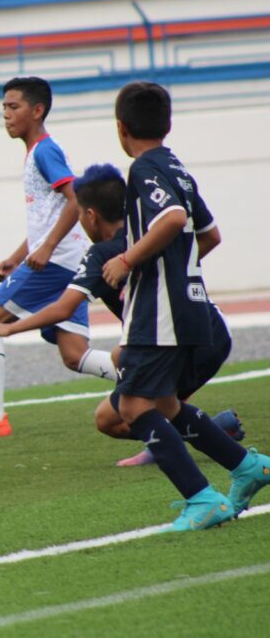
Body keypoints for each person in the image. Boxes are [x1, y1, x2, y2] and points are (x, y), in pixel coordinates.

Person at [0, 163, 244, 466]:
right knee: (136, 378)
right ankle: (210, 444)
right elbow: (207, 239)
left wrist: (10, 328)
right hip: (213, 330)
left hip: (176, 338)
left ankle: (209, 463)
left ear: (90, 216)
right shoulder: (148, 234)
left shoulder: (102, 255)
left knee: (113, 416)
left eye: (78, 215)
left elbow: (63, 308)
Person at [98, 81, 269, 530]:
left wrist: (128, 258)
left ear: (121, 128)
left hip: (160, 314)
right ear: (166, 124)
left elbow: (172, 218)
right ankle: (248, 467)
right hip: (189, 305)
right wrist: (178, 270)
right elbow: (208, 234)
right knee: (165, 404)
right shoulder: (178, 167)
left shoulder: (143, 170)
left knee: (133, 407)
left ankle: (202, 500)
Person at [0, 77, 114, 440]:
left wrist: (47, 248)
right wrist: (17, 256)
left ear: (37, 111)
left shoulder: (44, 151)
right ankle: (150, 383)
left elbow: (76, 199)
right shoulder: (36, 152)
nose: (6, 115)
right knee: (75, 355)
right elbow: (48, 214)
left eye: (13, 107)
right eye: (4, 108)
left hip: (57, 263)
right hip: (64, 261)